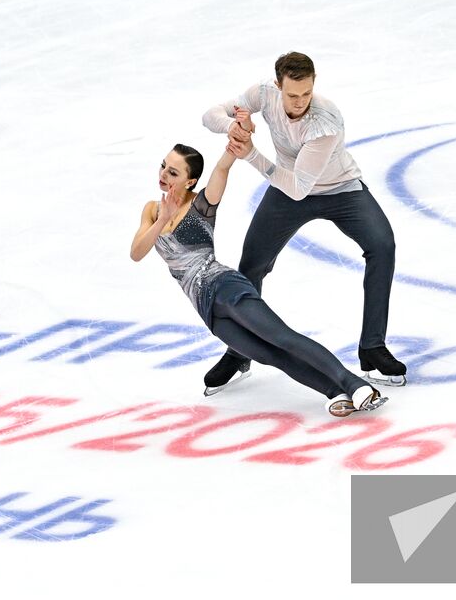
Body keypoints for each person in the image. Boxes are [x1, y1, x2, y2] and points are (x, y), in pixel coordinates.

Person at [130, 137, 387, 416]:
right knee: (269, 355)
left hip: (224, 287)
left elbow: (221, 170)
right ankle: (336, 393)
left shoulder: (201, 206)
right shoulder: (152, 210)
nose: (163, 175)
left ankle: (357, 385)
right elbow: (136, 252)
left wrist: (236, 139)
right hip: (207, 310)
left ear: (190, 182)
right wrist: (159, 221)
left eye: (173, 172)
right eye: (163, 167)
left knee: (282, 338)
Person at [201, 51, 407, 393]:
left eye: (306, 94)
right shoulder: (263, 93)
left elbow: (300, 188)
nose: (300, 102)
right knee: (251, 266)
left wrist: (250, 152)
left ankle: (372, 347)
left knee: (382, 246)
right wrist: (234, 126)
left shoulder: (325, 121)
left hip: (339, 190)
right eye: (293, 94)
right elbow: (210, 115)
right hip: (286, 186)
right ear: (278, 86)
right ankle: (239, 352)